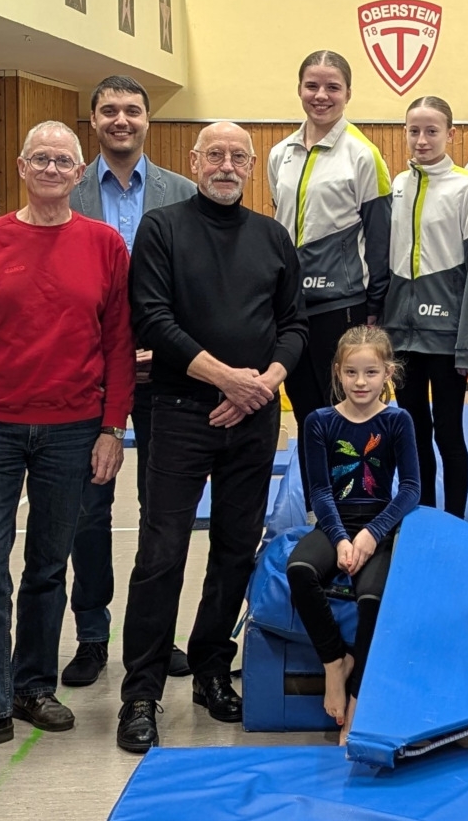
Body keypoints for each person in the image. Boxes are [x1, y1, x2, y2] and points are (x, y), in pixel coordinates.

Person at [0, 122, 133, 758]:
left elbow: (119, 344)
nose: (51, 167)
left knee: (48, 565)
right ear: (21, 166)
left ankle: (32, 686)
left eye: (62, 159)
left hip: (74, 430)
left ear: (78, 172)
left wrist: (111, 428)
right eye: (39, 157)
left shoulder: (103, 245)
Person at [116, 123, 308, 754]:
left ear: (251, 166)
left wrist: (265, 382)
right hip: (176, 410)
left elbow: (294, 325)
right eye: (214, 155)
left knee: (233, 549)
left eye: (237, 157)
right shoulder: (163, 228)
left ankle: (207, 669)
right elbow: (152, 317)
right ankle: (141, 691)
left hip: (252, 417)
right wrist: (227, 379)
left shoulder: (272, 236)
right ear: (194, 162)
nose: (226, 165)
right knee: (161, 553)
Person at [64, 75, 198, 688]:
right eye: (109, 110)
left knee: (161, 512)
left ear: (148, 119)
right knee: (88, 510)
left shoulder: (183, 191)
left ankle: (155, 632)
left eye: (133, 111)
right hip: (88, 372)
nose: (122, 119)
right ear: (93, 120)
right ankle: (92, 634)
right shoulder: (67, 188)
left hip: (165, 371)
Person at [289, 326, 420, 743]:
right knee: (300, 569)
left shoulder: (397, 421)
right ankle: (334, 663)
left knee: (373, 598)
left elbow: (411, 489)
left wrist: (370, 536)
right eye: (351, 373)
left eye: (370, 373)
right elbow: (320, 490)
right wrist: (342, 538)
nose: (360, 382)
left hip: (380, 524)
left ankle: (360, 696)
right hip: (335, 522)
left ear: (388, 374)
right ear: (337, 373)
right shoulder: (319, 421)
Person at [268, 51, 393, 425]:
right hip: (292, 303)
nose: (321, 95)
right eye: (312, 86)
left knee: (345, 411)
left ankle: (354, 485)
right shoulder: (280, 153)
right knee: (305, 409)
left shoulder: (364, 155)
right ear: (300, 89)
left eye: (332, 87)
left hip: (342, 303)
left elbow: (380, 236)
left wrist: (376, 304)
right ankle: (314, 486)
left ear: (348, 93)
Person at [386, 95, 468, 519]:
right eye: (414, 130)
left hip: (446, 338)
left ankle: (454, 520)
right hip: (401, 336)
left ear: (451, 134)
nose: (422, 139)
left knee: (449, 433)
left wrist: (467, 347)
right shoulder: (397, 184)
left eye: (432, 131)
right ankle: (422, 514)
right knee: (411, 433)